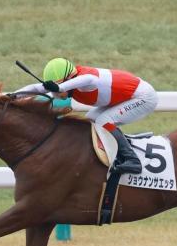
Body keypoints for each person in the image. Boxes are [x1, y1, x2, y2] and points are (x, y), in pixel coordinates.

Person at [17, 57, 158, 175]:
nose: (56, 95)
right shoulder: (69, 82)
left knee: (104, 120)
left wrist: (60, 88)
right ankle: (116, 149)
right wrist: (11, 96)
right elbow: (36, 88)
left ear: (68, 79)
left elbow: (90, 79)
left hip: (143, 97)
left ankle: (132, 160)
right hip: (127, 98)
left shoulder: (85, 80)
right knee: (90, 120)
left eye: (59, 88)